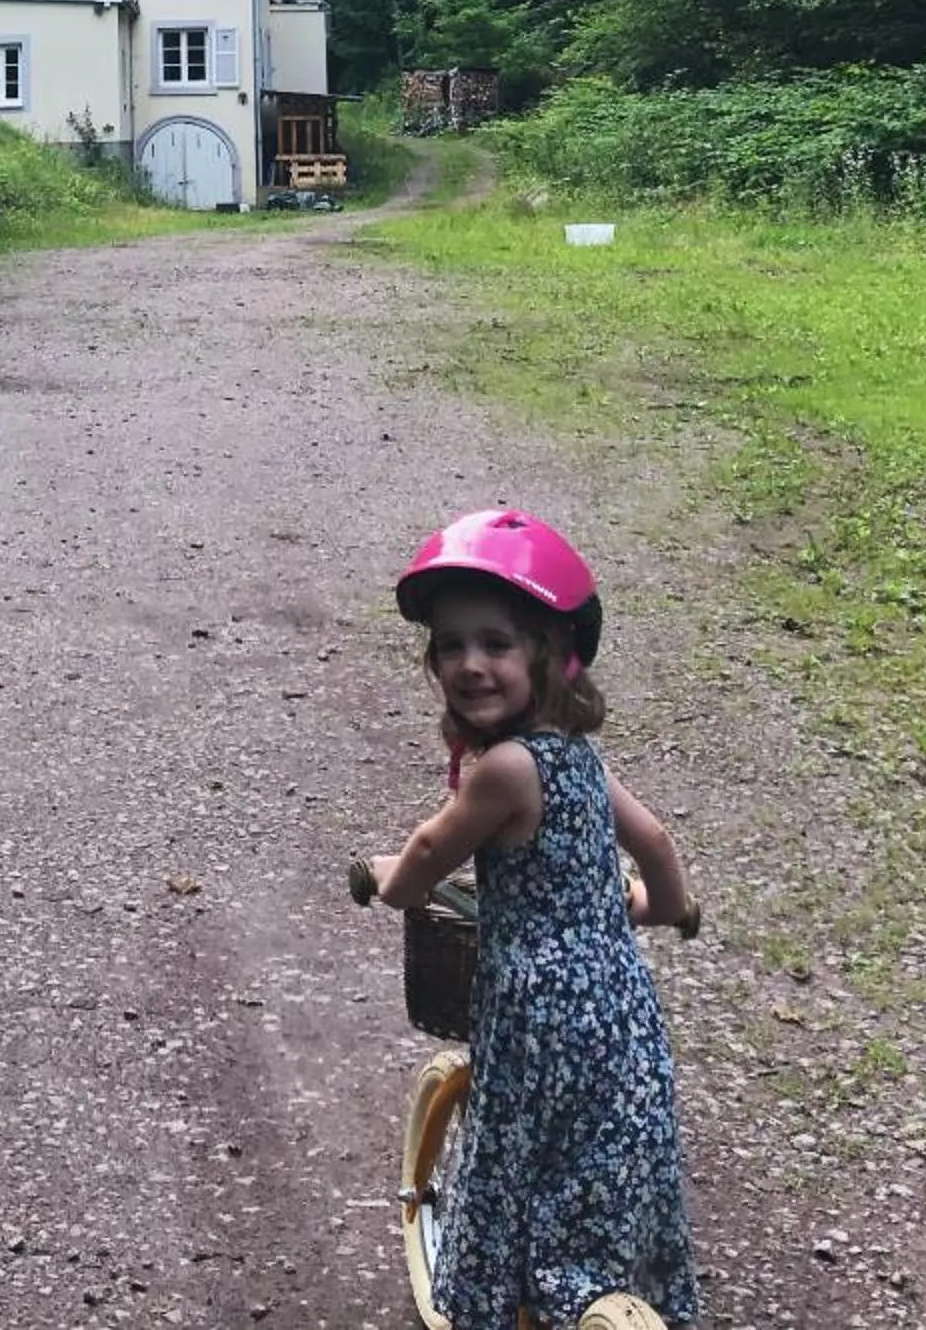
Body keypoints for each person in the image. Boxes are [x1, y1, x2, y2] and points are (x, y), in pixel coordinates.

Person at [355, 507, 700, 1330]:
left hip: (537, 1012)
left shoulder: (504, 771)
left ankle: (534, 1294)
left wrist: (386, 882)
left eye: (496, 644)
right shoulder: (578, 754)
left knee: (513, 1158)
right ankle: (610, 1279)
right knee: (604, 1153)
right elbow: (652, 839)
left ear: (550, 655)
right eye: (450, 646)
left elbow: (431, 853)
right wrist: (666, 908)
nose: (470, 664)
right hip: (618, 1002)